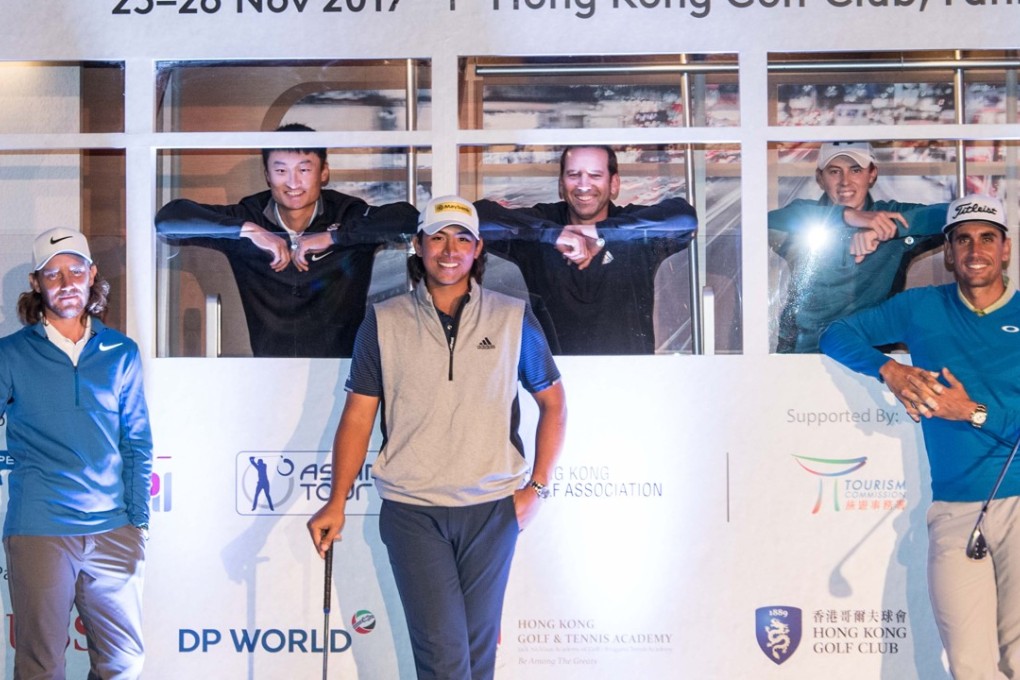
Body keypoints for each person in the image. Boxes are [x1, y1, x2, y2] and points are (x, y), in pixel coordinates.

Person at [307, 195, 566, 679]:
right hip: (413, 512)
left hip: (491, 511)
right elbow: (358, 417)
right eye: (438, 238)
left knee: (476, 661)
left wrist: (538, 487)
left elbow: (553, 402)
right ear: (419, 244)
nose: (449, 251)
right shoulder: (383, 321)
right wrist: (336, 501)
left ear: (478, 248)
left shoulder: (513, 317)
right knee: (445, 660)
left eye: (462, 239)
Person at [820, 194, 1020, 679]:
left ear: (1006, 249)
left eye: (987, 238)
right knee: (970, 665)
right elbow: (835, 334)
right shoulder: (921, 307)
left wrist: (970, 411)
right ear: (947, 253)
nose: (975, 250)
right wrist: (890, 369)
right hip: (953, 509)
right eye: (962, 240)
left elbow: (980, 413)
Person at [0, 228, 153, 679]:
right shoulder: (11, 354)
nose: (66, 283)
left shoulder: (121, 351)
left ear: (92, 275)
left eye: (75, 270)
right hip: (40, 529)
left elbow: (137, 442)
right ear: (36, 283)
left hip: (114, 530)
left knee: (123, 663)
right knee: (42, 665)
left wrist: (138, 522)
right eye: (53, 274)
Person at [155, 123, 419, 358]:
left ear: (323, 173)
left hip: (342, 372)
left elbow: (408, 220)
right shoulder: (249, 215)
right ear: (267, 175)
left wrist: (334, 237)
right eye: (281, 170)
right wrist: (250, 231)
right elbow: (168, 219)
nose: (293, 182)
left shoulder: (347, 213)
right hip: (268, 373)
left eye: (304, 169)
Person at [474, 145, 698, 355]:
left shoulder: (633, 226)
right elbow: (476, 218)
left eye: (595, 175)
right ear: (561, 185)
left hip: (629, 373)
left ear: (614, 184)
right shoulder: (544, 224)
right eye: (574, 175)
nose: (583, 185)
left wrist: (602, 232)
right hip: (552, 374)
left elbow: (685, 218)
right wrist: (552, 235)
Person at [769, 141, 948, 353]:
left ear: (872, 174)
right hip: (804, 355)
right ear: (820, 178)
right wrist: (848, 216)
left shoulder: (891, 213)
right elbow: (764, 222)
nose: (845, 181)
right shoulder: (804, 214)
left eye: (856, 170)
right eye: (834, 172)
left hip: (869, 356)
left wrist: (888, 228)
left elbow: (954, 214)